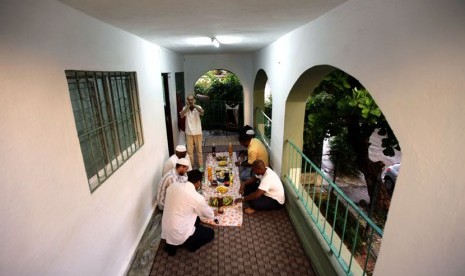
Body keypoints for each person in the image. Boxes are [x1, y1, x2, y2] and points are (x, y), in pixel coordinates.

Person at [161, 170, 216, 256]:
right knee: (210, 233)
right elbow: (209, 214)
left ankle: (171, 245)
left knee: (196, 217)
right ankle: (190, 244)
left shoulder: (173, 186)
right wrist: (214, 212)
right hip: (179, 232)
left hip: (166, 229)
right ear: (198, 182)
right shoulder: (196, 197)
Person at [179, 94, 204, 167]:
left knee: (199, 150)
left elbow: (202, 112)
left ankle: (201, 165)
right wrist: (188, 107)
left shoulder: (198, 107)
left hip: (198, 132)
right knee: (190, 151)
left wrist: (194, 105)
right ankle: (191, 165)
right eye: (189, 100)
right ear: (187, 100)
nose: (190, 101)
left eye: (192, 99)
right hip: (189, 132)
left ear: (194, 100)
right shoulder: (185, 108)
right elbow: (181, 115)